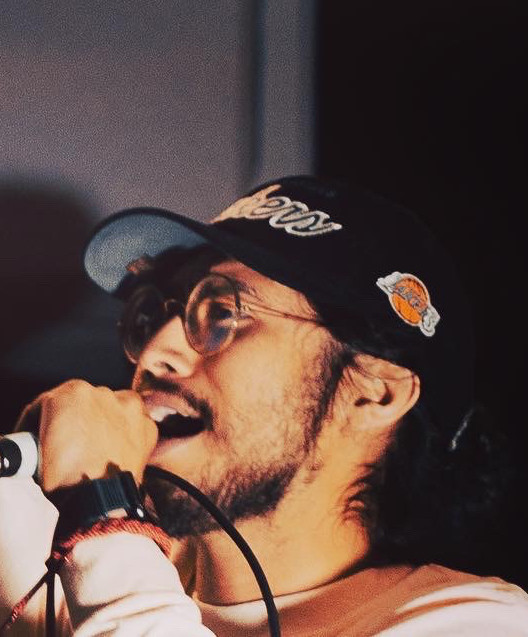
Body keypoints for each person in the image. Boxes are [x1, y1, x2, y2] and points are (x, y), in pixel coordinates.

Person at [1, 175, 527, 635]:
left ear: (374, 392)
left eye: (224, 314)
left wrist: (103, 511)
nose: (156, 351)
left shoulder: (477, 621)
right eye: (153, 315)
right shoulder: (73, 587)